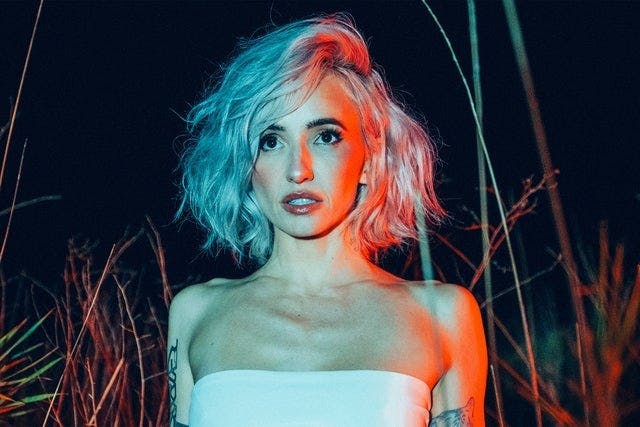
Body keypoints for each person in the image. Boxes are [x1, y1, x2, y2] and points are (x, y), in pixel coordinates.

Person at [168, 13, 486, 427]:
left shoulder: (442, 315)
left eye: (326, 136)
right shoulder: (196, 313)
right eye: (270, 141)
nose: (297, 170)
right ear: (245, 164)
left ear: (370, 160)